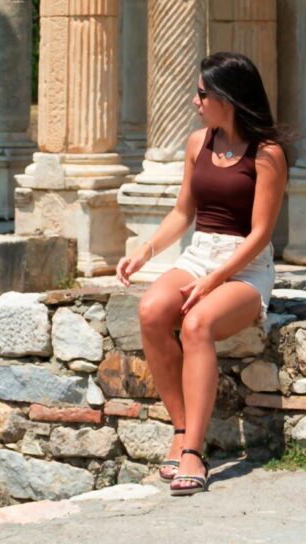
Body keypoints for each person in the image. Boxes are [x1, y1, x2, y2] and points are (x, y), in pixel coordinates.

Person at [116, 51, 286, 497]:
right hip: (199, 254)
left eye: (202, 94)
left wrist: (215, 282)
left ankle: (194, 450)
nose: (196, 102)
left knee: (197, 324)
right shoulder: (198, 143)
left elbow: (261, 233)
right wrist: (144, 251)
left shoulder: (268, 154)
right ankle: (179, 429)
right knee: (153, 309)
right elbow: (182, 212)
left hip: (245, 266)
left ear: (227, 99)